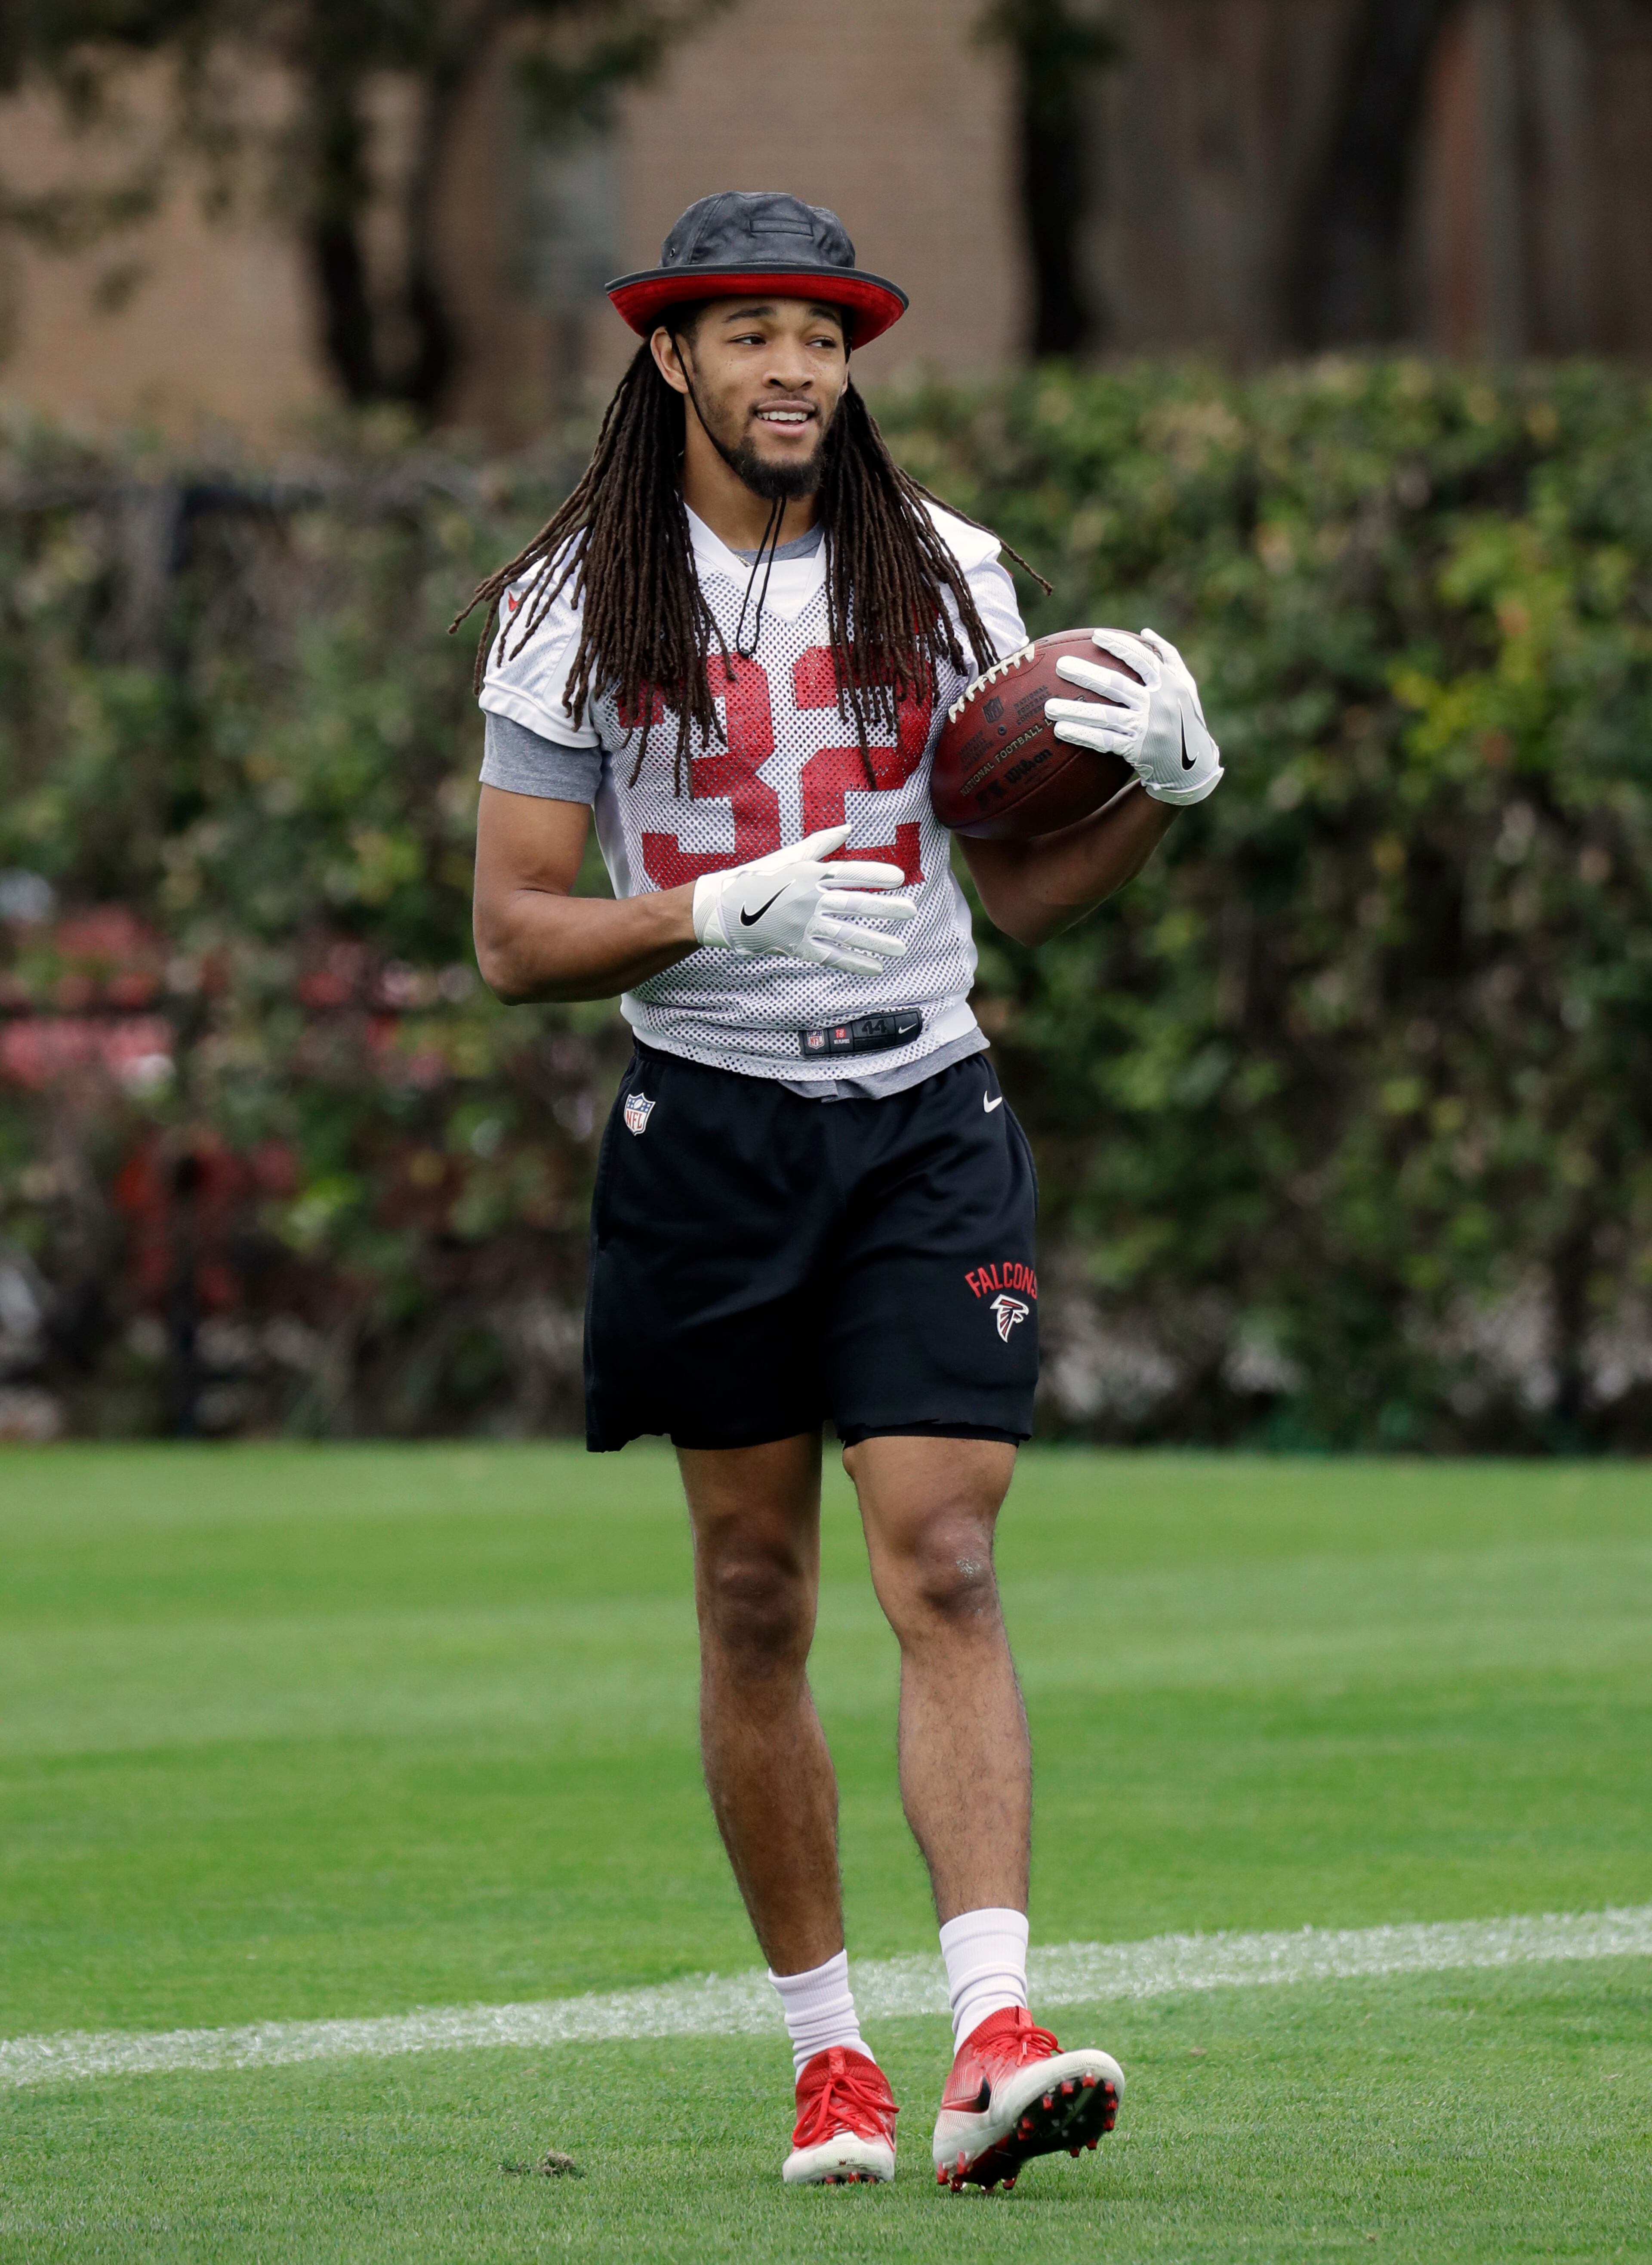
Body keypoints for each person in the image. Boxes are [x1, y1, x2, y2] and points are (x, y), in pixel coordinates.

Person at [460, 191, 1222, 2193]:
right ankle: (831, 2060)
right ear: (671, 359)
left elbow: (1039, 892)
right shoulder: (573, 601)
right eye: (756, 334)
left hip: (918, 1111)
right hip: (708, 1127)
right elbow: (517, 939)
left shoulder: (949, 571)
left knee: (948, 1564)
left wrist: (1157, 785)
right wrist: (718, 907)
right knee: (751, 1593)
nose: (798, 368)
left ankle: (994, 2029)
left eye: (826, 335)